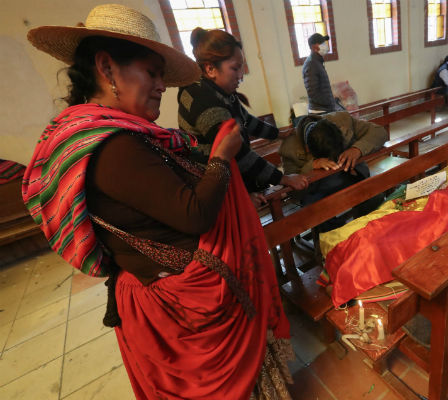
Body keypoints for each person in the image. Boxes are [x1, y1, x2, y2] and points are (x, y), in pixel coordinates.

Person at [22, 4, 293, 399]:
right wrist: (220, 157)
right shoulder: (114, 146)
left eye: (161, 75)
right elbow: (194, 214)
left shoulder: (115, 132)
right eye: (152, 72)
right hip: (178, 304)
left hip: (169, 285)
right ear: (107, 67)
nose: (162, 85)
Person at [178, 28, 307, 208]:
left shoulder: (219, 90)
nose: (240, 76)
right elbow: (236, 153)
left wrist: (278, 134)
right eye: (235, 68)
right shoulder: (202, 99)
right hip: (216, 191)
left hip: (230, 179)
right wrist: (283, 178)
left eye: (242, 67)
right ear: (210, 68)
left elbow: (246, 120)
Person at [280, 112, 387, 231]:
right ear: (308, 149)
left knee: (375, 196)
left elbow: (379, 132)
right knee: (317, 214)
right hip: (317, 191)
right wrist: (311, 166)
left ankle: (368, 231)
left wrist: (357, 149)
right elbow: (293, 192)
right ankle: (337, 242)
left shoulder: (342, 120)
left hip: (348, 177)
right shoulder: (289, 147)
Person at [302, 33, 341, 114]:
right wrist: (330, 103)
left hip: (325, 109)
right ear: (314, 47)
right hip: (320, 111)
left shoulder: (317, 62)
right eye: (322, 43)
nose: (325, 45)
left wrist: (332, 101)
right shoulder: (311, 64)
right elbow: (313, 93)